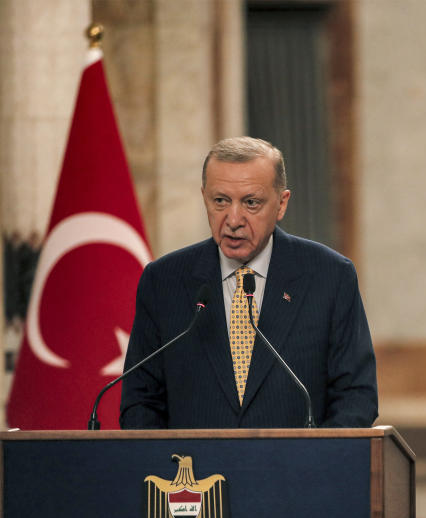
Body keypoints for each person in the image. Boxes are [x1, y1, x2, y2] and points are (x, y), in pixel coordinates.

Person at [120, 137, 377, 428]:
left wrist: (315, 462)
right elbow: (140, 400)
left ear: (281, 204)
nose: (233, 219)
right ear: (205, 197)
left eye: (251, 203)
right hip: (193, 471)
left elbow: (356, 396)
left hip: (298, 470)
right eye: (220, 201)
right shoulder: (163, 281)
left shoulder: (330, 277)